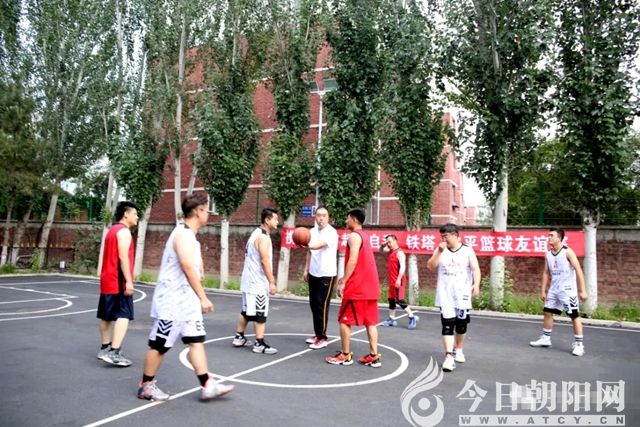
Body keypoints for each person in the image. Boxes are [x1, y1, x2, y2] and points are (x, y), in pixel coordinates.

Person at [137, 194, 234, 401]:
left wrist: (200, 273)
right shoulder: (182, 234)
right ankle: (146, 386)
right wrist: (203, 297)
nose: (209, 214)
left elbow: (193, 265)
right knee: (160, 345)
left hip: (186, 302)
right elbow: (186, 266)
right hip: (172, 301)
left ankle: (207, 385)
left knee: (196, 341)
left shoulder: (191, 237)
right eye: (207, 209)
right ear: (198, 211)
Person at [326, 208, 382, 368]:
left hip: (357, 287)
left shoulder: (354, 236)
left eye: (347, 218)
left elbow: (353, 260)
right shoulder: (365, 236)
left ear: (354, 220)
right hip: (371, 287)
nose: (346, 221)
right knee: (370, 322)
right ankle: (373, 356)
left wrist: (343, 280)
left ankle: (345, 355)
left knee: (344, 320)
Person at [426, 223, 480, 372]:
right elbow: (430, 266)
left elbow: (475, 268)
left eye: (446, 236)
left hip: (462, 294)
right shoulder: (440, 250)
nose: (444, 239)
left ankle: (459, 349)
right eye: (442, 237)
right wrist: (439, 251)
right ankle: (448, 356)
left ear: (455, 235)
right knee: (447, 325)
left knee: (461, 325)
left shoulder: (467, 250)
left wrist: (476, 284)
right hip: (445, 294)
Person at [529, 227, 588, 356]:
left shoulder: (568, 252)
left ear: (559, 237)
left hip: (568, 290)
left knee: (574, 316)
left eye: (552, 235)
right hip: (554, 289)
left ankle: (579, 345)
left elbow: (578, 269)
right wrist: (543, 290)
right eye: (548, 235)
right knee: (547, 312)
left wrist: (583, 290)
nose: (549, 238)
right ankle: (546, 339)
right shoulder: (548, 254)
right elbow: (546, 272)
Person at [232, 207, 279, 354]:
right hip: (257, 282)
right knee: (260, 313)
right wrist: (271, 281)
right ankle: (259, 343)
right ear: (267, 220)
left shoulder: (255, 233)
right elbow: (264, 260)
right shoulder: (263, 238)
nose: (277, 222)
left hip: (248, 281)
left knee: (246, 311)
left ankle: (239, 336)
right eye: (275, 219)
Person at [97, 201, 139, 367]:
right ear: (126, 214)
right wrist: (128, 281)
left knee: (106, 316)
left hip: (107, 279)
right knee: (124, 314)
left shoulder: (111, 231)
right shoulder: (124, 232)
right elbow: (123, 257)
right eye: (135, 214)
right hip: (118, 280)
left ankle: (104, 348)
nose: (137, 217)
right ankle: (114, 352)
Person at [303, 206, 339, 350]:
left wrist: (305, 243)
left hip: (327, 274)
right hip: (314, 272)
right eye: (318, 215)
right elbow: (309, 252)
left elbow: (319, 245)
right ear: (315, 217)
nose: (321, 218)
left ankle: (322, 338)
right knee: (313, 304)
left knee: (321, 305)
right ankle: (317, 334)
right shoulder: (311, 232)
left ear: (328, 217)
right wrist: (306, 269)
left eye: (324, 215)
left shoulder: (331, 232)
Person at [381, 234, 419, 329]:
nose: (388, 244)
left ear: (395, 241)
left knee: (399, 300)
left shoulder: (400, 253)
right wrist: (382, 245)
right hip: (392, 281)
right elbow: (381, 251)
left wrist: (398, 279)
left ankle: (412, 316)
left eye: (389, 242)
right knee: (391, 300)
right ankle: (392, 319)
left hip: (399, 280)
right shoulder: (390, 252)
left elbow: (402, 267)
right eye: (387, 242)